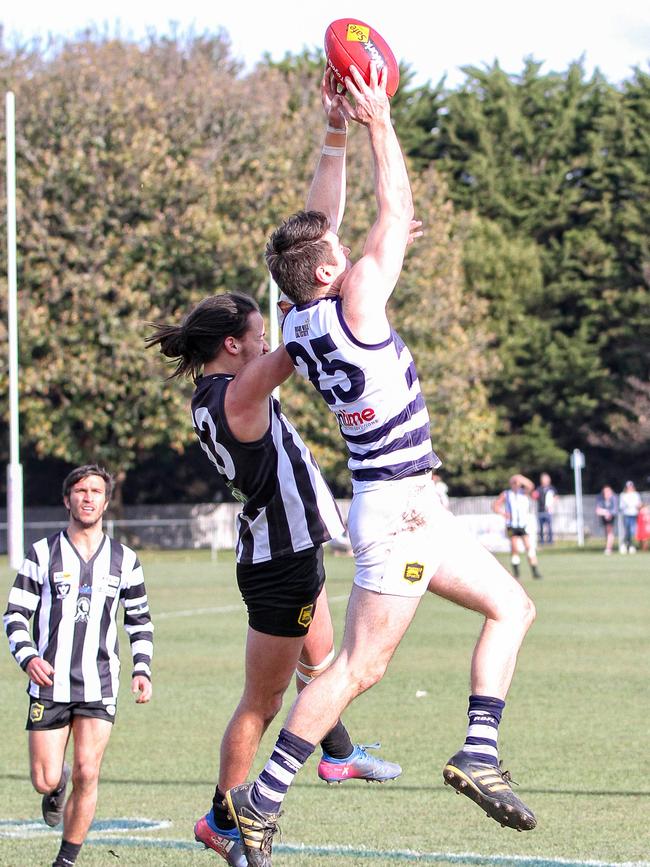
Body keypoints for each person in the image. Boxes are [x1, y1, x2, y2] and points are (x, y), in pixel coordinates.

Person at [224, 65, 537, 867]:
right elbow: (391, 209)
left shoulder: (300, 319)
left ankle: (477, 751)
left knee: (512, 606)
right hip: (396, 510)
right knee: (360, 666)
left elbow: (314, 228)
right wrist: (377, 121)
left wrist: (331, 131)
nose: (347, 241)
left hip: (409, 506)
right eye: (338, 248)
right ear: (331, 271)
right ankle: (260, 800)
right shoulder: (356, 294)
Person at [146, 292, 399, 866]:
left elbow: (285, 348)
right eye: (256, 333)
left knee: (325, 663)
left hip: (289, 549)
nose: (263, 340)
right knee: (262, 703)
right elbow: (299, 349)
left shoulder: (216, 393)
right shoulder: (237, 392)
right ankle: (222, 822)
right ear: (232, 345)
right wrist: (324, 297)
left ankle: (337, 753)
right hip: (279, 563)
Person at [3, 464, 153, 867]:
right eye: (80, 490)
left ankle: (66, 860)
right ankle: (57, 785)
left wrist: (142, 669)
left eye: (96, 491)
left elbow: (138, 619)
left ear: (106, 501)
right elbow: (15, 614)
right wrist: (29, 656)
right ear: (67, 499)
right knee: (46, 779)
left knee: (90, 772)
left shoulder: (125, 560)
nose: (88, 497)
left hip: (99, 683)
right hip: (49, 684)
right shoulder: (42, 554)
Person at [493, 475, 543, 579]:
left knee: (529, 547)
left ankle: (535, 571)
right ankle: (516, 573)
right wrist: (503, 513)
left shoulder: (523, 493)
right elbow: (495, 506)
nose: (516, 485)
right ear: (511, 484)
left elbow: (531, 485)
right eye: (514, 483)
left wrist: (520, 478)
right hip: (511, 526)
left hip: (522, 525)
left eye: (518, 483)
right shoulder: (506, 494)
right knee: (514, 548)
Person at [533, 472, 557, 545]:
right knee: (541, 527)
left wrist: (551, 504)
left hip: (548, 511)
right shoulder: (539, 489)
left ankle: (550, 541)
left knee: (549, 526)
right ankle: (542, 541)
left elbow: (556, 497)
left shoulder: (551, 488)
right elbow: (535, 496)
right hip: (540, 510)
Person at [619, 480, 642, 554]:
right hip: (626, 514)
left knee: (633, 531)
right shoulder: (623, 495)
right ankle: (626, 544)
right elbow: (621, 506)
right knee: (627, 530)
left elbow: (639, 504)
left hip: (634, 514)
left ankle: (631, 545)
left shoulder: (636, 494)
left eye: (631, 486)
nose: (630, 488)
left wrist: (639, 506)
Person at [595, 485, 618, 554]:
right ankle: (608, 547)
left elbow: (615, 510)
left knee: (609, 532)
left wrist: (609, 513)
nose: (606, 493)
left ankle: (608, 548)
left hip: (611, 517)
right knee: (607, 532)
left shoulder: (614, 498)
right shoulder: (600, 498)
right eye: (605, 492)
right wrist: (604, 512)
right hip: (604, 517)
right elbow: (598, 509)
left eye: (608, 492)